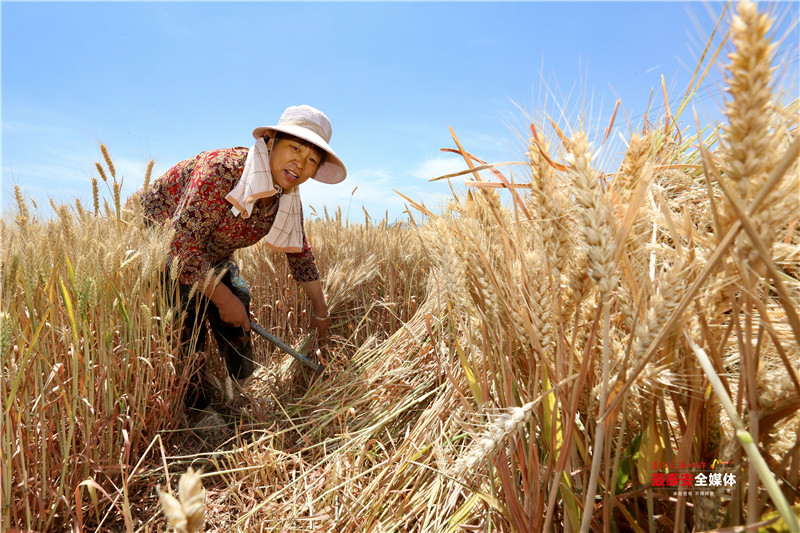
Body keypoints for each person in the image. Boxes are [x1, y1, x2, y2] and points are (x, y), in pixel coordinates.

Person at [133, 105, 346, 411]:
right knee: (184, 324)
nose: (300, 163)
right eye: (295, 148)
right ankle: (196, 411)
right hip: (161, 249)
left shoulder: (285, 198)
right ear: (271, 141)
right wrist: (222, 300)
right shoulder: (221, 170)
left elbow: (299, 251)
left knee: (239, 304)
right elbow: (180, 246)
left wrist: (321, 311)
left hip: (211, 255)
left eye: (312, 159)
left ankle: (241, 398)